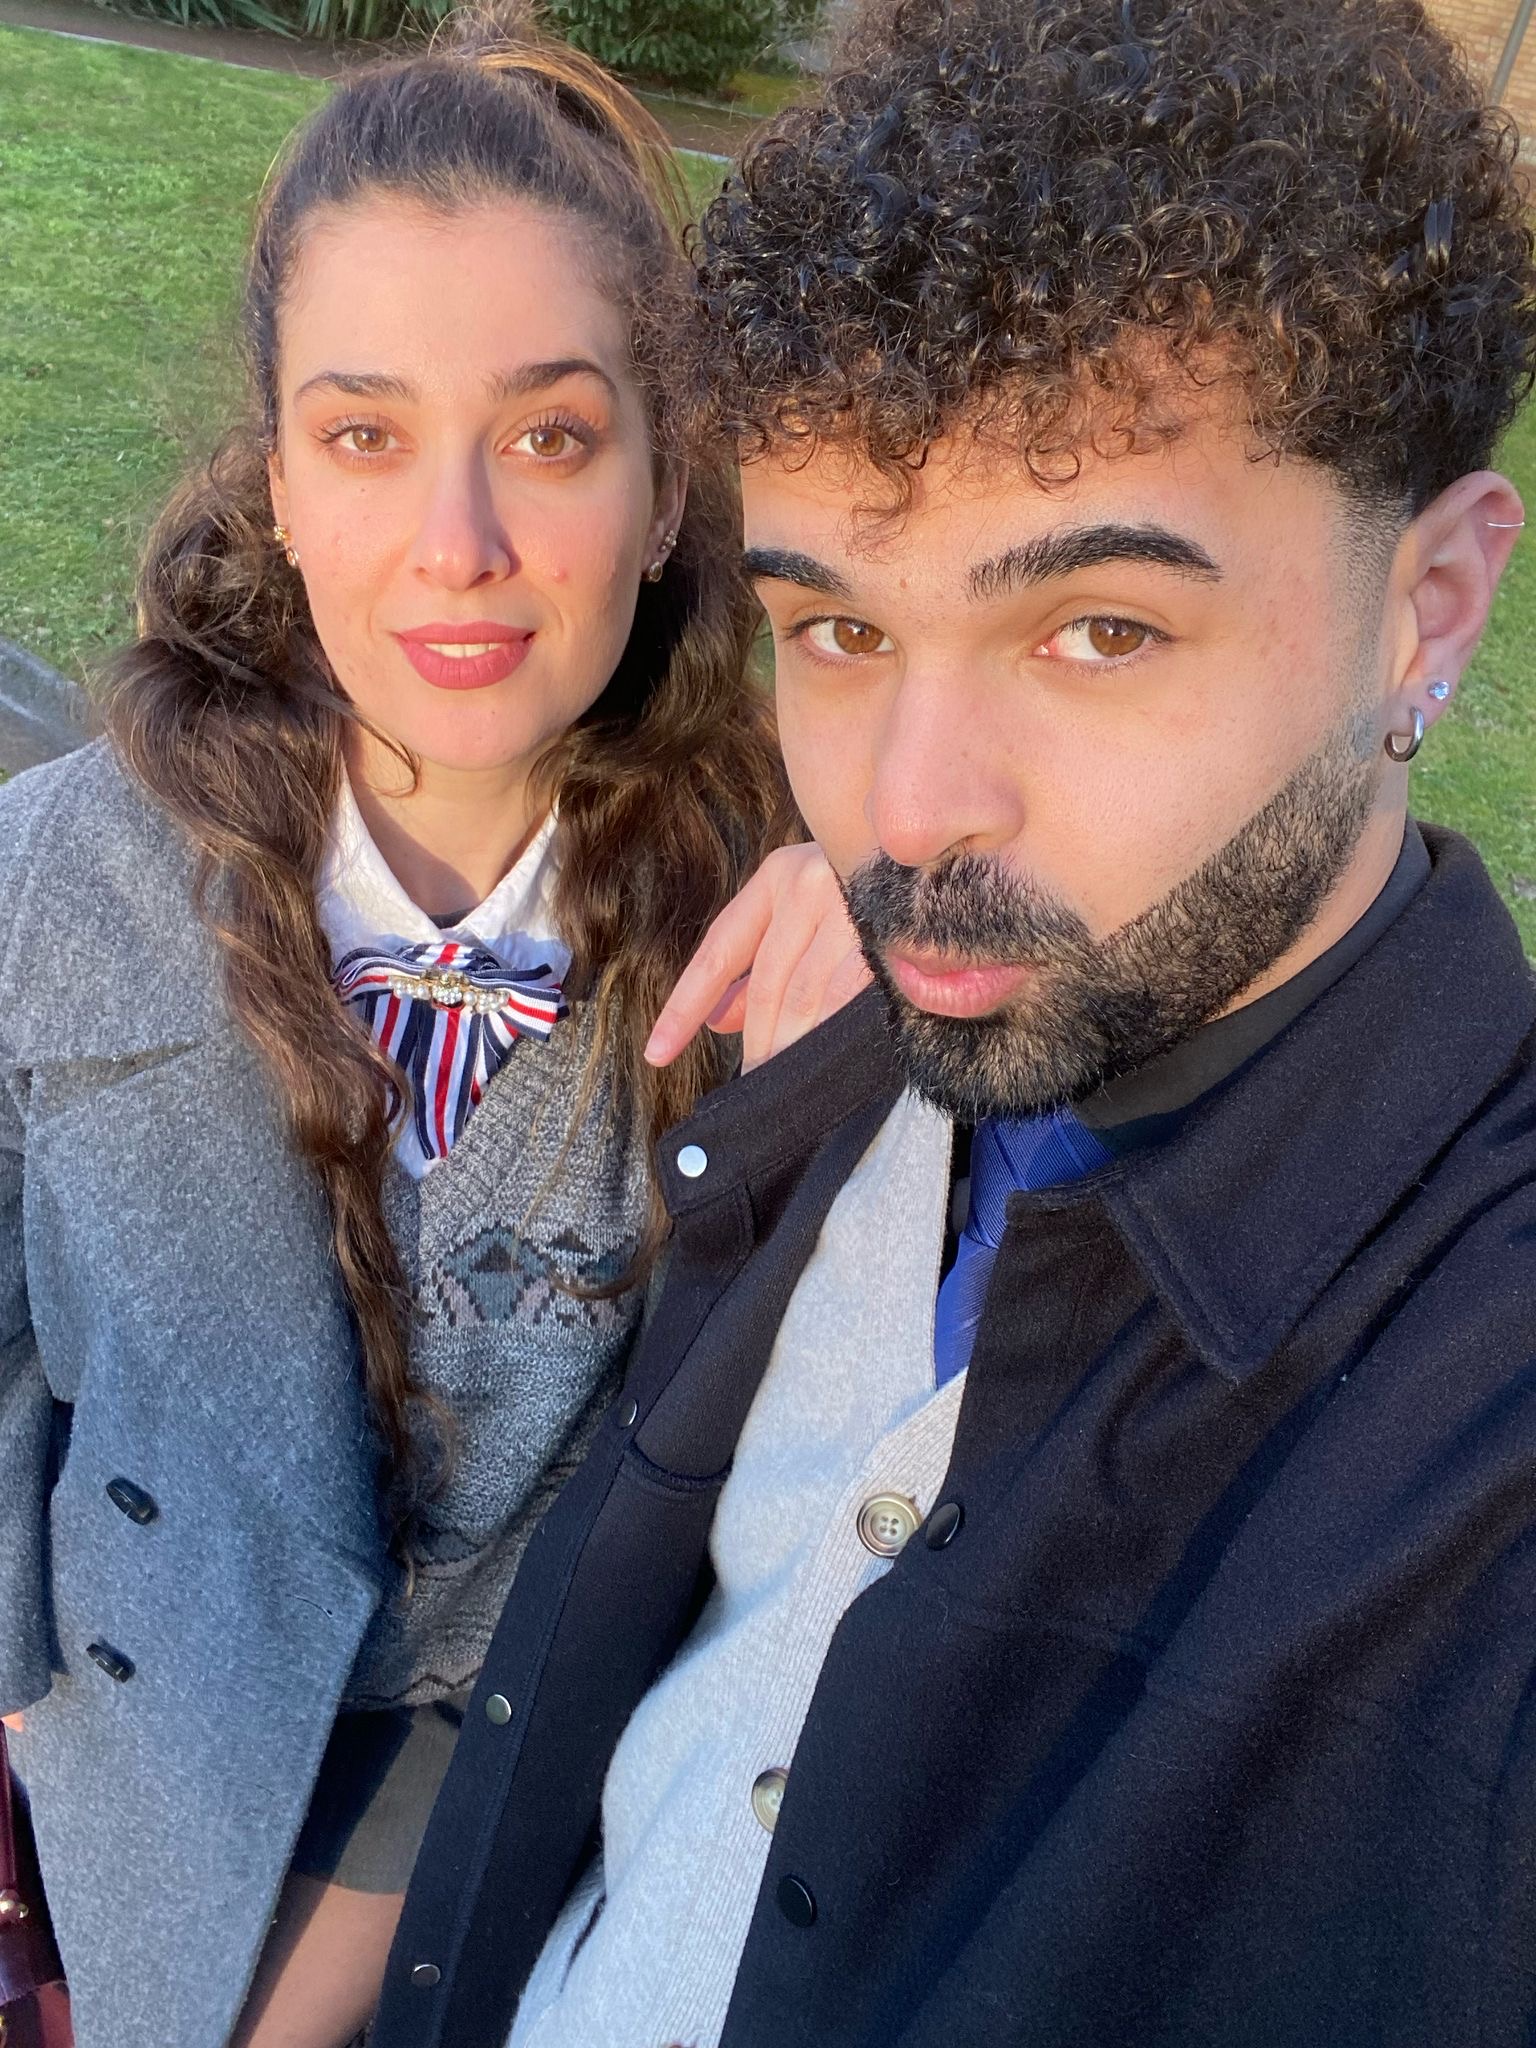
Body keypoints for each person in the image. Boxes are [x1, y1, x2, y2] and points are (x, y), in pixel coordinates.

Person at [372, 0, 1536, 2044]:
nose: (908, 814)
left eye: (1098, 628)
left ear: (1427, 605)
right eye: (839, 627)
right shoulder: (846, 1053)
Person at [0, 13, 828, 2047]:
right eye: (366, 436)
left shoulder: (785, 939)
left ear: (665, 490)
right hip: (120, 1741)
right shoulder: (54, 876)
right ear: (279, 481)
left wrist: (891, 964)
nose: (458, 543)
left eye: (549, 437)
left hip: (499, 1788)